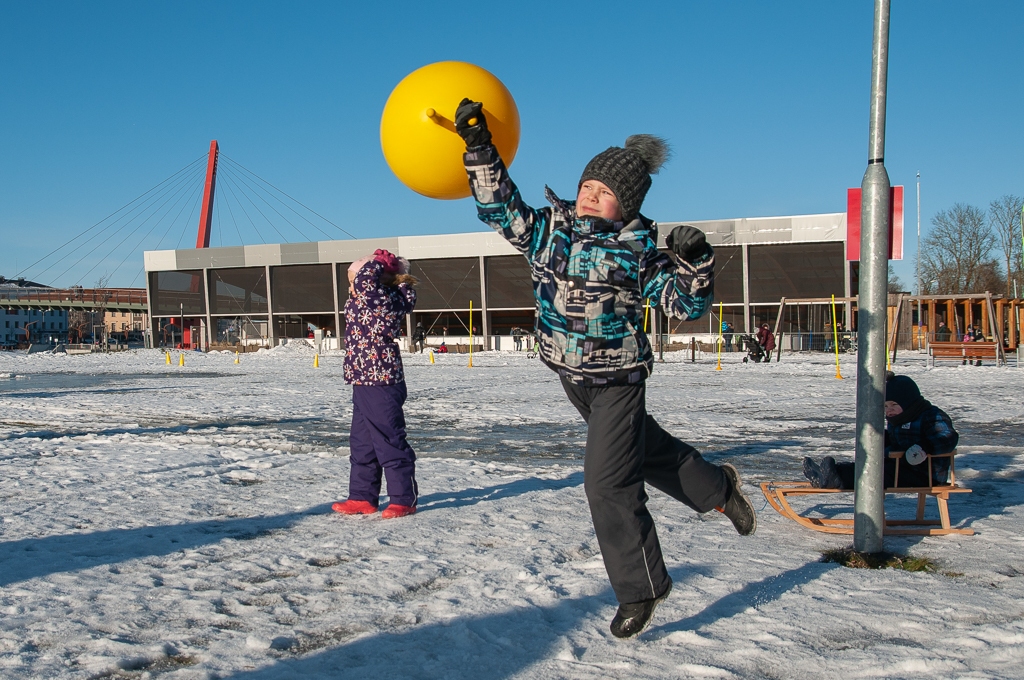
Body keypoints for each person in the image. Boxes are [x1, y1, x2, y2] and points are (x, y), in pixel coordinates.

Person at [457, 99, 756, 639]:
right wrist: (480, 149)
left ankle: (641, 588)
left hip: (618, 380)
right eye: (588, 185)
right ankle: (718, 490)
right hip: (572, 379)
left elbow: (684, 307)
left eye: (606, 192)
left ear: (627, 206)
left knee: (607, 483)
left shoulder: (639, 253)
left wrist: (695, 263)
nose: (592, 195)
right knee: (651, 452)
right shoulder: (549, 230)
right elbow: (501, 207)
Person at [333, 250, 420, 519]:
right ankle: (362, 496)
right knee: (362, 443)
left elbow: (366, 284)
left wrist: (374, 264)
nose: (351, 286)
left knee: (389, 440)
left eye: (353, 280)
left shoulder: (382, 299)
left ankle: (403, 498)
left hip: (380, 379)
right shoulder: (370, 298)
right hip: (363, 378)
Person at [803, 374, 958, 490]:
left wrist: (924, 447)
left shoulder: (931, 415)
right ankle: (832, 473)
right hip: (900, 467)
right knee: (869, 467)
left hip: (925, 475)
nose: (889, 410)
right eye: (885, 406)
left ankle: (836, 479)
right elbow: (895, 441)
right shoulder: (898, 419)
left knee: (876, 474)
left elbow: (948, 437)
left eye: (894, 404)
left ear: (909, 402)